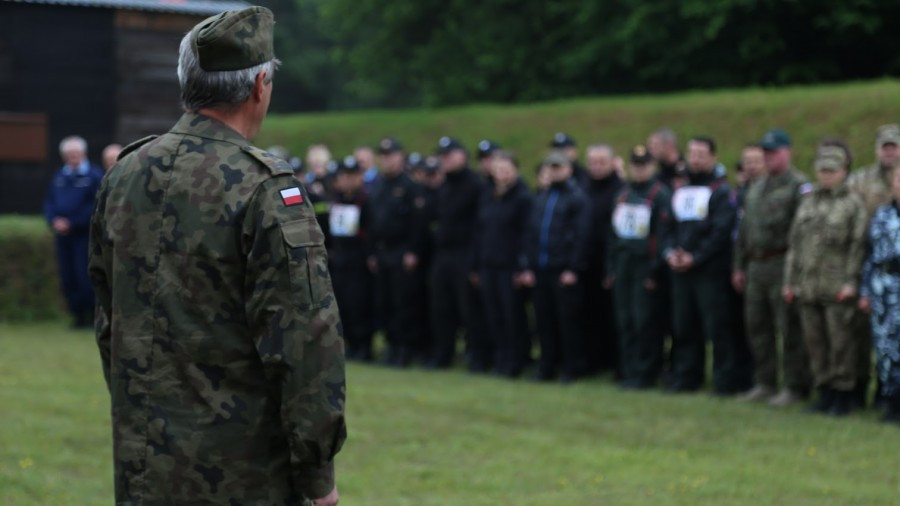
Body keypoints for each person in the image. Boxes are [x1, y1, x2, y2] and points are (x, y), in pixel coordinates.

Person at [87, 8, 345, 504]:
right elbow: (305, 338)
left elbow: (110, 320)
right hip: (243, 474)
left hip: (144, 464)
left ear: (187, 82)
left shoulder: (124, 175)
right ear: (259, 85)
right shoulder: (264, 187)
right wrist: (318, 477)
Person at [783, 145, 867, 416]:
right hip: (808, 285)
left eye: (832, 171)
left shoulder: (853, 204)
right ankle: (824, 391)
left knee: (841, 343)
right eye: (822, 171)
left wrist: (850, 282)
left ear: (844, 172)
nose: (827, 176)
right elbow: (795, 245)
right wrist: (790, 281)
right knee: (815, 343)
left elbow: (858, 246)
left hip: (836, 286)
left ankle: (844, 394)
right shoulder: (808, 202)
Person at [664, 136, 753, 395]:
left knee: (717, 328)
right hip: (681, 269)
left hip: (709, 271)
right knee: (684, 325)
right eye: (692, 153)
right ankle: (686, 376)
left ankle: (724, 381)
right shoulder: (680, 191)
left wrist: (695, 256)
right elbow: (668, 225)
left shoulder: (720, 190)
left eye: (701, 154)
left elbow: (720, 232)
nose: (695, 159)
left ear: (713, 157)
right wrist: (671, 253)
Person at [732, 130, 812, 407]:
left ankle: (794, 385)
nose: (769, 158)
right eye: (766, 153)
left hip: (782, 263)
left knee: (788, 328)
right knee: (757, 327)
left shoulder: (798, 186)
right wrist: (739, 266)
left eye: (774, 152)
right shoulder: (756, 186)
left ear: (787, 152)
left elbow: (802, 233)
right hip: (756, 264)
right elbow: (744, 229)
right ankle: (765, 381)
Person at [519, 151, 592, 383]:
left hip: (563, 270)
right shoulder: (541, 197)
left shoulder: (577, 198)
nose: (554, 171)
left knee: (568, 322)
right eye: (551, 167)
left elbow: (582, 236)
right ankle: (546, 366)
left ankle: (572, 367)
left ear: (569, 169)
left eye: (559, 167)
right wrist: (527, 266)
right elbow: (530, 234)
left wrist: (573, 267)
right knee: (544, 321)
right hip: (541, 269)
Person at [606, 145, 672, 389]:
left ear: (652, 167)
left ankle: (646, 371)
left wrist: (654, 271)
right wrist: (610, 267)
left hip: (643, 265)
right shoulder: (623, 195)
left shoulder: (659, 194)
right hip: (623, 264)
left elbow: (661, 235)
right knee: (625, 320)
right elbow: (613, 235)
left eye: (643, 165)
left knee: (644, 320)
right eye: (635, 165)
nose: (639, 170)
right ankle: (628, 368)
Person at [848, 124, 900, 407]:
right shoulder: (862, 182)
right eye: (885, 146)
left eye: (895, 146)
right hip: (876, 270)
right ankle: (875, 392)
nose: (889, 151)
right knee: (879, 340)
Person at [428, 136, 489, 371]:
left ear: (462, 156)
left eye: (449, 155)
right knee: (441, 307)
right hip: (443, 254)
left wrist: (474, 261)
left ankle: (477, 356)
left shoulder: (475, 185)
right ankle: (443, 353)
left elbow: (478, 226)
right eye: (442, 156)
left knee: (469, 309)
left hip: (465, 253)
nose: (445, 160)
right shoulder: (444, 185)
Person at [367, 137, 429, 367]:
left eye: (391, 155)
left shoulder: (410, 187)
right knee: (385, 302)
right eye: (383, 156)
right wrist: (372, 252)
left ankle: (406, 348)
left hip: (402, 251)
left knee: (405, 303)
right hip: (383, 252)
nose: (387, 160)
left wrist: (413, 251)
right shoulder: (378, 186)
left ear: (400, 157)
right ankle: (391, 345)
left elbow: (417, 223)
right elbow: (373, 223)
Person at [473, 150, 532, 377]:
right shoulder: (488, 195)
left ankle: (516, 360)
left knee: (512, 315)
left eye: (506, 170)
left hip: (509, 265)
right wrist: (476, 264)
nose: (502, 175)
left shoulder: (522, 197)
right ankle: (500, 357)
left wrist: (522, 266)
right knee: (493, 313)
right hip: (489, 263)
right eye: (498, 170)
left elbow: (526, 234)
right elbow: (479, 232)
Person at [44, 135, 104, 328]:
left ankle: (90, 316)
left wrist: (73, 222)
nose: (73, 157)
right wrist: (54, 220)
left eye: (75, 153)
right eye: (69, 154)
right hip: (63, 236)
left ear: (83, 153)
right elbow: (50, 202)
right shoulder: (60, 176)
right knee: (67, 276)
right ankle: (77, 316)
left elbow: (95, 206)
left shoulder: (94, 176)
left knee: (84, 275)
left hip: (83, 236)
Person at [859, 163, 900, 423]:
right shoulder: (883, 215)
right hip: (884, 287)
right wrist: (866, 291)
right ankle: (891, 401)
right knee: (885, 348)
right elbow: (870, 256)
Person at [582, 143, 625, 376]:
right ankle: (593, 360)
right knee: (589, 314)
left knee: (613, 315)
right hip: (587, 260)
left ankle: (615, 361)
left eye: (602, 162)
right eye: (593, 162)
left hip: (609, 260)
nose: (597, 167)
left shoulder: (621, 190)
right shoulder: (582, 188)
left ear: (612, 163)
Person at [329, 155, 375, 362]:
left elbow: (371, 232)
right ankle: (349, 343)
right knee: (342, 303)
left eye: (352, 176)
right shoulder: (336, 200)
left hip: (358, 258)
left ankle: (363, 345)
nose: (347, 180)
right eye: (344, 176)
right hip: (340, 257)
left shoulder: (365, 200)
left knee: (359, 303)